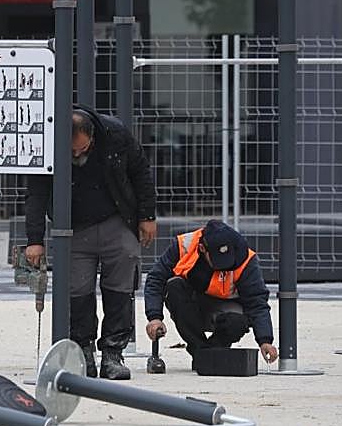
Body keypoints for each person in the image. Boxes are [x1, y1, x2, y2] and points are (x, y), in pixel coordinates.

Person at [24, 107, 157, 380]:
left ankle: (113, 352)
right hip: (73, 227)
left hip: (115, 218)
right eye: (71, 152)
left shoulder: (116, 134)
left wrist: (147, 216)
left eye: (82, 149)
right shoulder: (47, 143)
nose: (77, 155)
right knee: (76, 289)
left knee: (121, 283)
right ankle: (83, 349)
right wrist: (34, 240)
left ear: (92, 136)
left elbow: (141, 172)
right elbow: (36, 192)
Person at [143, 219, 278, 369]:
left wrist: (265, 340)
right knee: (174, 287)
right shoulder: (184, 246)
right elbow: (156, 279)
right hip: (192, 306)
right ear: (202, 249)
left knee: (237, 322)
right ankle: (200, 350)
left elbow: (257, 302)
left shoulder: (245, 259)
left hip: (226, 309)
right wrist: (154, 317)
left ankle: (209, 352)